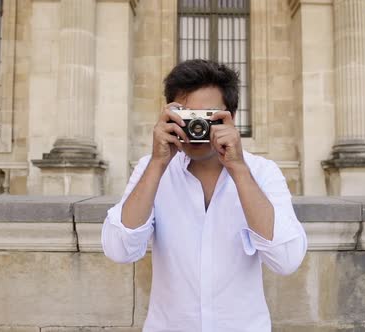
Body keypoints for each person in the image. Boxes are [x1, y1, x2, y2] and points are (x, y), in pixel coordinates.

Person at [101, 59, 308, 332]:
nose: (196, 128)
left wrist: (238, 169)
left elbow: (286, 260)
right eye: (186, 117)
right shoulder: (151, 169)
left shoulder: (262, 172)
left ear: (230, 117)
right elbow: (118, 249)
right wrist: (157, 163)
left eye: (207, 117)